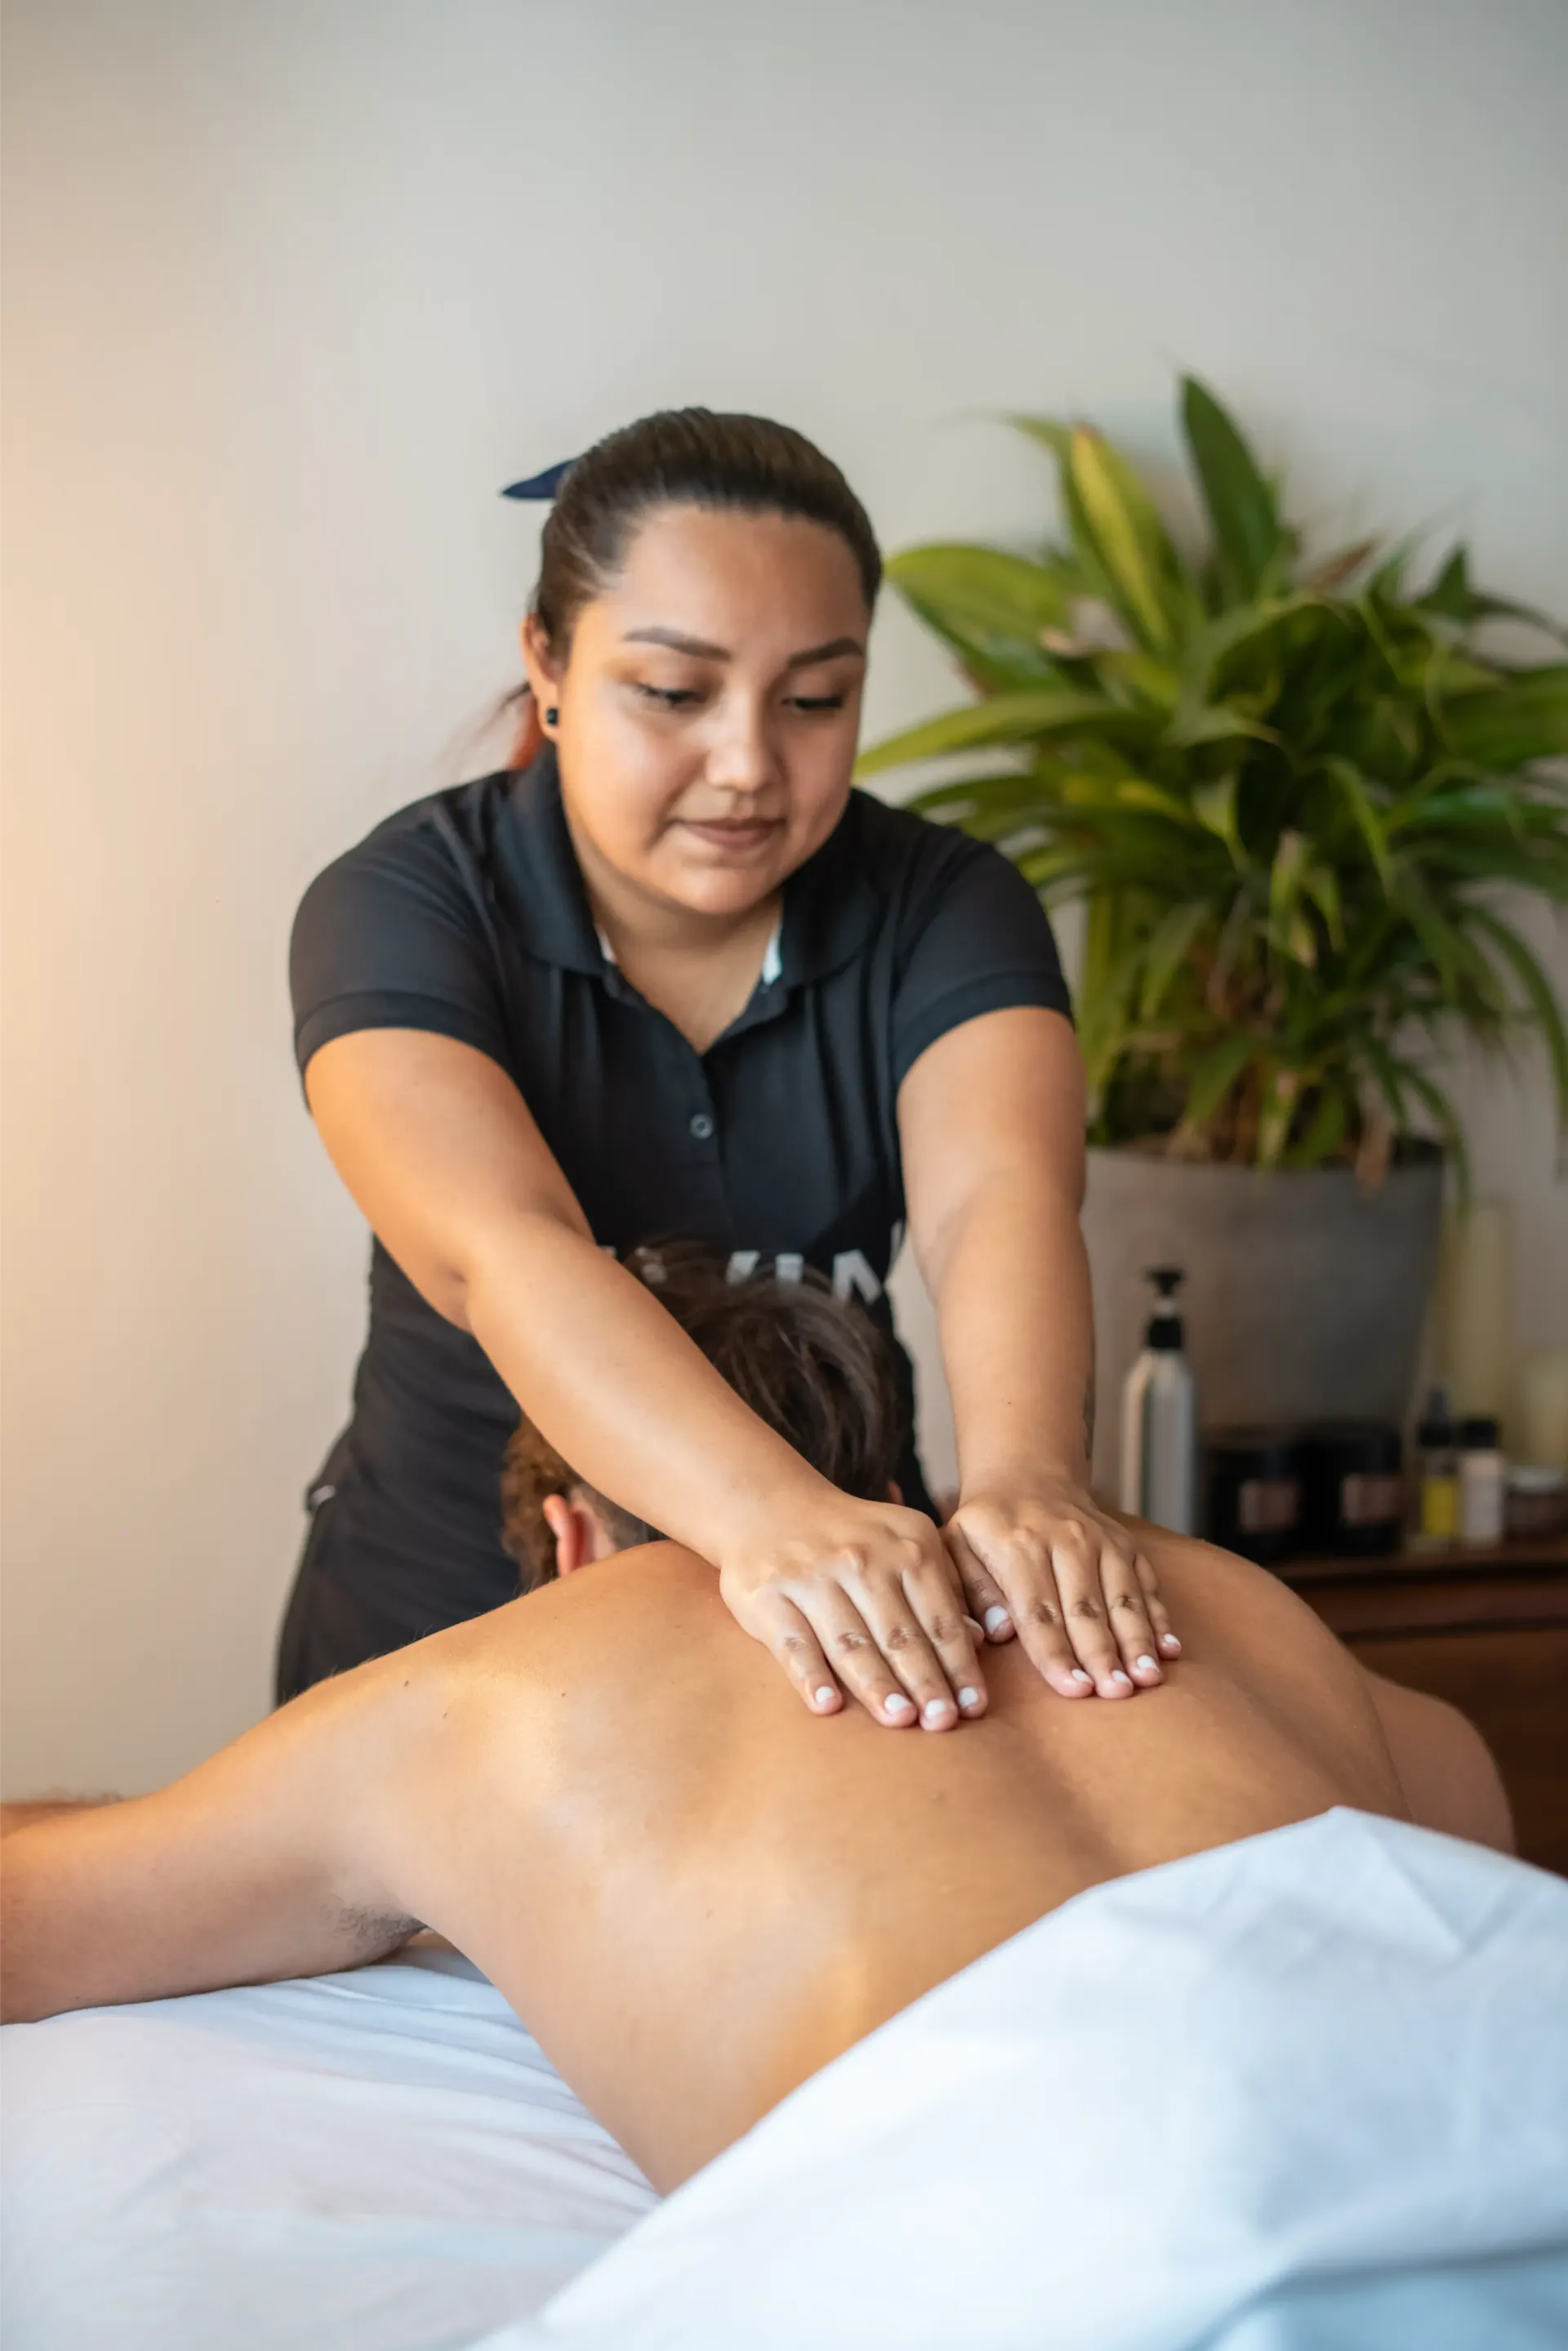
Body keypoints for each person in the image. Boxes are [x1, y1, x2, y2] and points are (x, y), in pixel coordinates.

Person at [0, 1258, 1508, 2195]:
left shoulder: (508, 1683)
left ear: (572, 1542)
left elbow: (30, 1922)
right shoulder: (1226, 1603)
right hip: (1481, 2164)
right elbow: (1477, 1814)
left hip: (1049, 2241)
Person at [278, 404, 1179, 1727]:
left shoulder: (944, 907)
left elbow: (999, 1202)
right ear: (548, 662)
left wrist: (1030, 1485)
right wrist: (770, 1519)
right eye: (674, 692)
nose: (751, 764)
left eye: (816, 698)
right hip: (445, 1644)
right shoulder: (404, 907)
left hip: (846, 1649)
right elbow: (504, 1248)